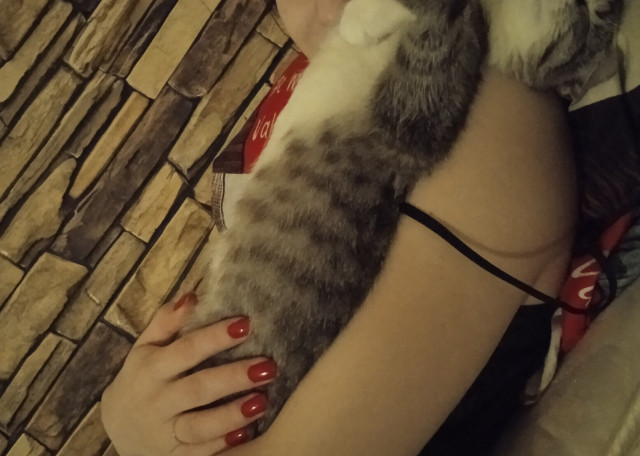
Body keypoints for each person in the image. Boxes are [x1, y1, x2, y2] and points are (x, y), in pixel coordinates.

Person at [101, 0, 578, 454]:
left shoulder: (491, 119)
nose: (330, 10)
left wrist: (135, 438)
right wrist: (127, 414)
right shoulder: (332, 92)